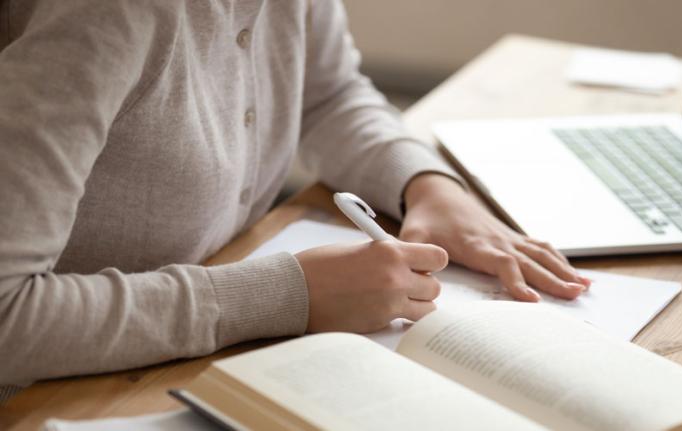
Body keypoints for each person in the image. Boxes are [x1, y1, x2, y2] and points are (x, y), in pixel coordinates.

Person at [0, 0, 589, 399]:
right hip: (55, 394)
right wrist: (287, 295)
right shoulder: (103, 15)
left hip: (174, 357)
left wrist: (427, 186)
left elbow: (328, 94)